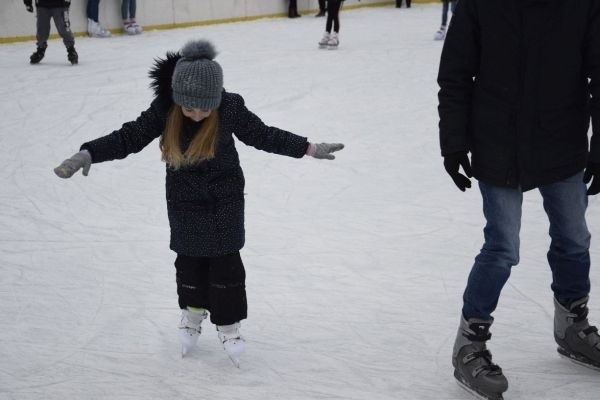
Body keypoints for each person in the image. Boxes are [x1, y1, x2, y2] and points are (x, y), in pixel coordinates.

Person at [53, 39, 344, 367]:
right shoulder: (165, 110)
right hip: (184, 202)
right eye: (188, 108)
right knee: (189, 264)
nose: (195, 114)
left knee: (226, 265)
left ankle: (229, 325)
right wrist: (88, 152)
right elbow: (128, 137)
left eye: (204, 107)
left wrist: (307, 148)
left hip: (225, 200)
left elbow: (264, 135)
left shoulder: (230, 107)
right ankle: (191, 315)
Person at [438, 0, 600, 399]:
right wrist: (454, 143)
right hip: (498, 144)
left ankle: (572, 325)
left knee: (574, 239)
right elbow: (455, 75)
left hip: (562, 141)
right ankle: (469, 344)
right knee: (502, 247)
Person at [24, 0, 78, 65]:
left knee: (63, 28)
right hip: (42, 5)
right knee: (41, 29)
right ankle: (40, 50)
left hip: (60, 5)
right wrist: (27, 2)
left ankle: (71, 50)